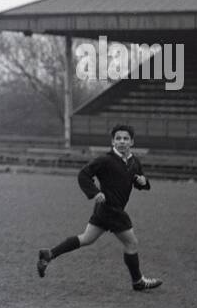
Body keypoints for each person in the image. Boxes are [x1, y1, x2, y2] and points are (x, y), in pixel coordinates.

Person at [36, 124, 162, 291]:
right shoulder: (105, 160)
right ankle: (138, 281)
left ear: (132, 141)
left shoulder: (134, 162)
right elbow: (83, 175)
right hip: (111, 210)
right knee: (131, 243)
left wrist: (143, 182)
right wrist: (95, 192)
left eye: (125, 139)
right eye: (118, 139)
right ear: (112, 142)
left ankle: (49, 254)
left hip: (104, 210)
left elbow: (139, 181)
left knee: (86, 238)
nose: (122, 142)